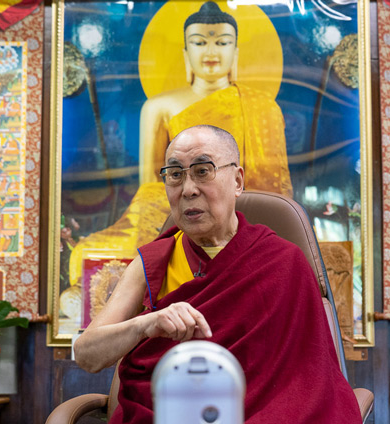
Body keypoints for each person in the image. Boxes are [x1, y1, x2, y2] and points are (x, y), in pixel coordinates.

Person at [73, 125, 362, 423]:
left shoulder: (284, 262)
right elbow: (87, 355)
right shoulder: (153, 263)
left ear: (237, 181)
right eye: (175, 175)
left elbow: (309, 381)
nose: (188, 189)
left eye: (202, 171)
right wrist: (145, 325)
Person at [66, 2, 292, 313]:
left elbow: (275, 186)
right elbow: (153, 184)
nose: (211, 51)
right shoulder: (159, 106)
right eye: (200, 42)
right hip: (171, 216)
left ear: (236, 52)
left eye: (222, 42)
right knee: (88, 250)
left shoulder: (263, 107)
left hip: (244, 219)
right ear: (186, 52)